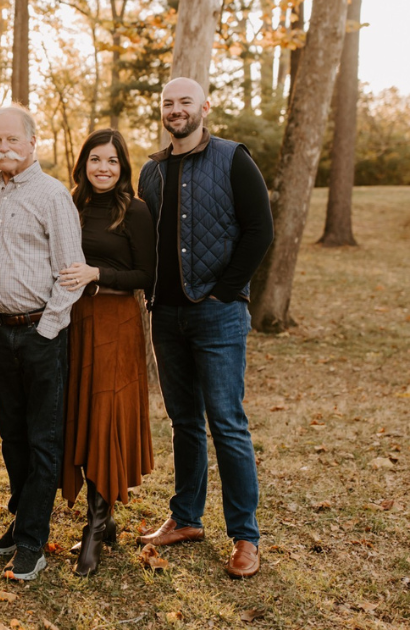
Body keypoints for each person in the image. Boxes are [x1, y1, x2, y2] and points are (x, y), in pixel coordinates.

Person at [135, 77, 274, 579]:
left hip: (218, 314)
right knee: (184, 421)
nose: (176, 110)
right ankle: (187, 518)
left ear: (204, 107)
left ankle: (245, 537)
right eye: (168, 103)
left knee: (227, 422)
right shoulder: (151, 171)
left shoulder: (233, 158)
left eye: (185, 102)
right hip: (165, 315)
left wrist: (225, 290)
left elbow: (260, 230)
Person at [0, 105, 85, 581]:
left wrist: (47, 330)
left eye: (11, 139)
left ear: (32, 142)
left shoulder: (52, 195)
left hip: (41, 332)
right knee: (12, 436)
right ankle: (20, 521)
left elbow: (71, 272)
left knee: (42, 439)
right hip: (0, 333)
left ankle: (32, 543)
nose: (2, 147)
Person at [57, 129, 156, 577]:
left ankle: (95, 527)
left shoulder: (134, 210)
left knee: (106, 415)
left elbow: (147, 274)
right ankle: (106, 518)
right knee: (81, 413)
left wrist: (98, 273)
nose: (103, 168)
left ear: (123, 167)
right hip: (75, 320)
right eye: (96, 159)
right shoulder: (70, 206)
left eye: (112, 161)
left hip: (116, 322)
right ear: (83, 164)